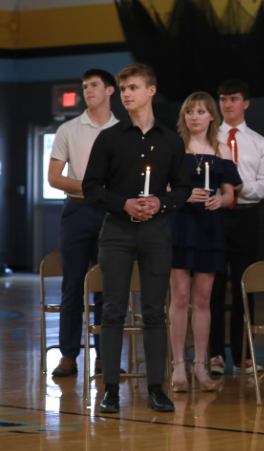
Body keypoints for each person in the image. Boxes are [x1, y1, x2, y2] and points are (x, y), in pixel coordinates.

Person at [82, 63, 192, 414]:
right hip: (116, 231)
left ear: (150, 91)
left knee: (155, 313)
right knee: (113, 310)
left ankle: (157, 389)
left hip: (157, 231)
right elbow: (90, 187)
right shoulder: (110, 138)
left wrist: (161, 201)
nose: (126, 94)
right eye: (123, 88)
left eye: (132, 87)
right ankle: (110, 389)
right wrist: (124, 203)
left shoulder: (171, 141)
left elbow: (186, 188)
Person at [47, 69, 121, 378]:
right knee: (72, 285)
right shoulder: (68, 129)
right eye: (84, 86)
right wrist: (91, 187)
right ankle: (68, 355)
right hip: (76, 211)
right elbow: (54, 178)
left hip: (111, 213)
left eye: (93, 86)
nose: (87, 91)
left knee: (107, 287)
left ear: (110, 91)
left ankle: (105, 356)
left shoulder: (125, 129)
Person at [168, 92, 238, 393]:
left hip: (209, 228)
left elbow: (230, 194)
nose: (194, 116)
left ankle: (201, 363)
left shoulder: (221, 150)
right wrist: (183, 195)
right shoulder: (173, 148)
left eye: (200, 111)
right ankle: (178, 365)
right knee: (180, 297)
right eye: (189, 112)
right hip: (180, 225)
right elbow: (163, 188)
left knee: (204, 299)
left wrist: (220, 200)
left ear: (212, 116)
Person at [209, 80, 264, 376]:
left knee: (244, 287)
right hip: (215, 215)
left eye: (233, 99)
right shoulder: (209, 138)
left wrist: (240, 187)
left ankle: (242, 355)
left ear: (245, 103)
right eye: (223, 99)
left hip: (247, 215)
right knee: (212, 286)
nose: (227, 104)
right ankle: (214, 355)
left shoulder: (258, 142)